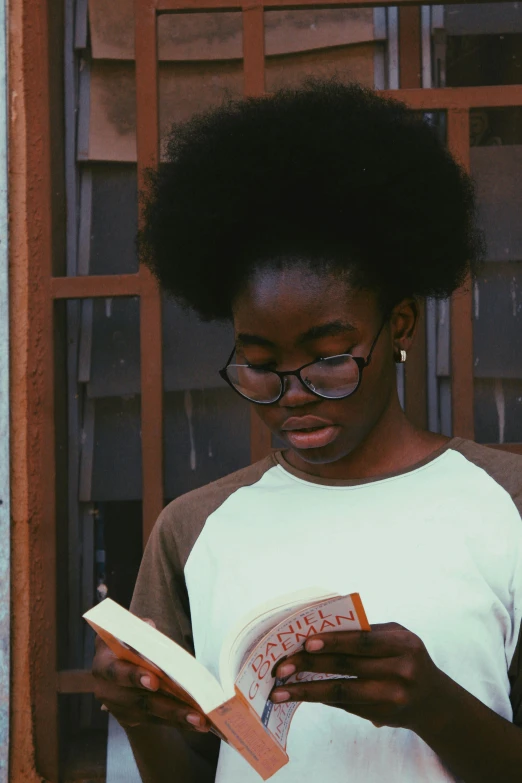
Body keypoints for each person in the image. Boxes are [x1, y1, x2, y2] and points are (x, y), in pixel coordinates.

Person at [92, 80, 522, 783]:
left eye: (328, 360)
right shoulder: (194, 528)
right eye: (260, 365)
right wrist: (138, 716)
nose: (293, 397)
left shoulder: (507, 504)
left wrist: (437, 708)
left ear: (401, 325)